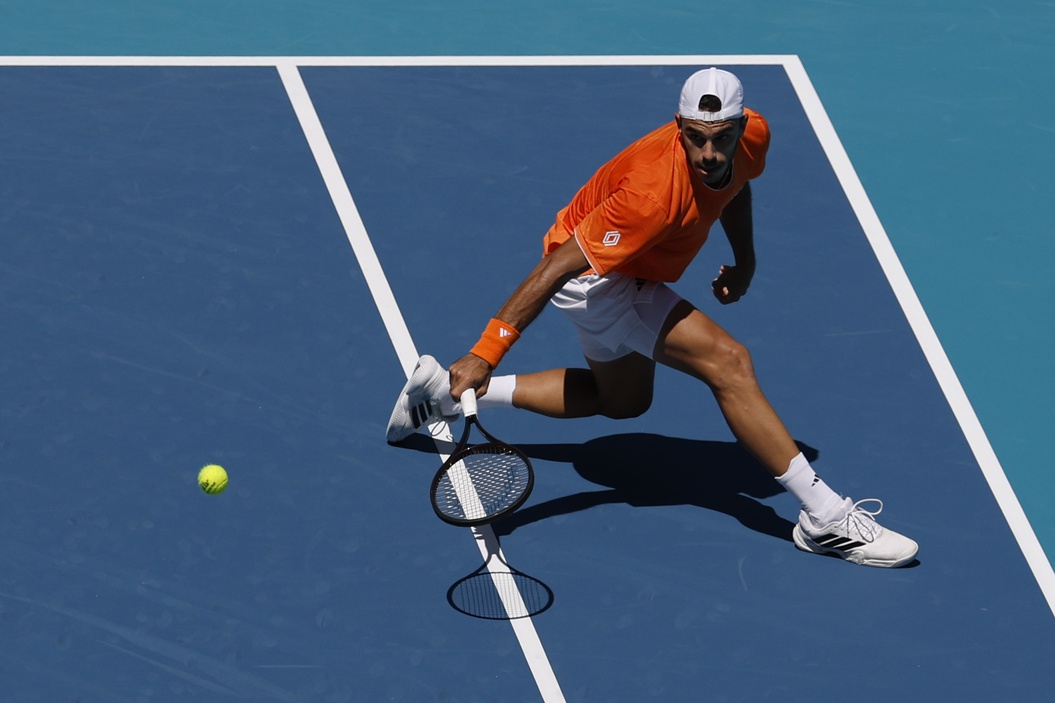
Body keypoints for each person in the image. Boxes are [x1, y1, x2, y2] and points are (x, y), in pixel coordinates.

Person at [386, 68, 918, 568]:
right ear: (678, 126)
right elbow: (555, 267)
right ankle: (824, 518)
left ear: (740, 126)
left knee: (622, 402)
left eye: (722, 138)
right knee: (729, 363)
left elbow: (733, 184)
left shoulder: (753, 137)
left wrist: (746, 259)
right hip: (596, 279)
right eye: (694, 138)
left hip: (630, 270)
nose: (709, 153)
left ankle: (445, 397)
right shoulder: (650, 195)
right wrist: (485, 350)